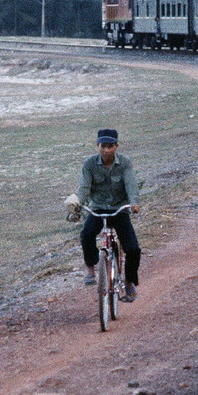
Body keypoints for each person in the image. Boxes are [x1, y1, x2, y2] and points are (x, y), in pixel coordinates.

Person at [68, 129, 142, 301]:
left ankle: (129, 281)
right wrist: (78, 205)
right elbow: (84, 187)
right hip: (98, 208)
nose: (106, 150)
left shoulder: (124, 163)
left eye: (110, 146)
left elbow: (131, 183)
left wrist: (134, 203)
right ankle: (91, 268)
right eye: (103, 146)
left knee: (133, 249)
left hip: (119, 209)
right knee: (86, 234)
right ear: (97, 146)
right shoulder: (89, 164)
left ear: (117, 146)